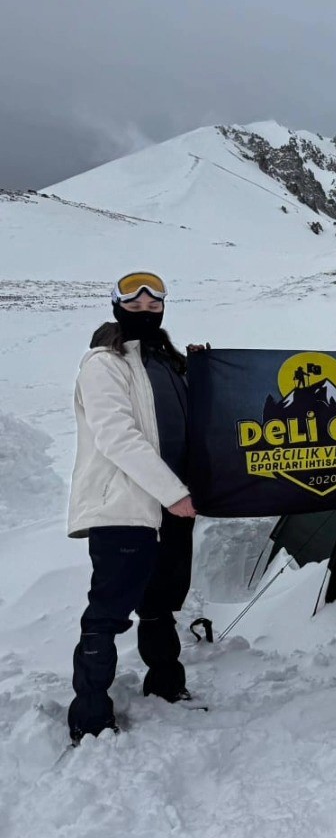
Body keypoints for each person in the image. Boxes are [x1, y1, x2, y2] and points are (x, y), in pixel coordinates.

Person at [67, 271, 198, 744]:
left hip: (172, 506)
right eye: (134, 302)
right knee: (108, 611)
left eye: (153, 302)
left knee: (160, 603)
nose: (145, 308)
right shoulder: (104, 364)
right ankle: (89, 713)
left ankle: (165, 683)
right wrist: (173, 492)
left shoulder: (167, 362)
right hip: (125, 506)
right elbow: (117, 437)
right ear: (117, 306)